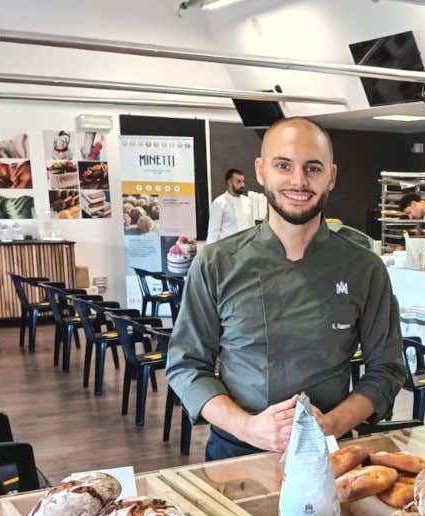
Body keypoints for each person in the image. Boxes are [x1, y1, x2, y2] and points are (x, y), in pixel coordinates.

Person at [167, 118, 406, 461]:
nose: (298, 181)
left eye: (313, 168)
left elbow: (386, 368)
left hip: (329, 451)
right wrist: (248, 427)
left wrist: (333, 423)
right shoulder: (217, 262)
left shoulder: (364, 267)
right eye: (283, 166)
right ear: (261, 171)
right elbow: (186, 365)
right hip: (236, 451)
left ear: (331, 177)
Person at [206, 168, 254, 242]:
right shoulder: (219, 203)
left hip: (246, 248)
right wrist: (209, 252)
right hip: (227, 249)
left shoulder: (247, 201)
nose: (243, 185)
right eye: (238, 181)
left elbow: (252, 226)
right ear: (229, 182)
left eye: (243, 181)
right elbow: (213, 232)